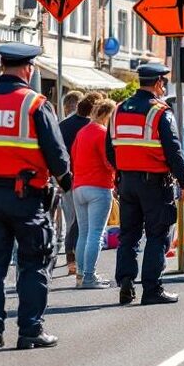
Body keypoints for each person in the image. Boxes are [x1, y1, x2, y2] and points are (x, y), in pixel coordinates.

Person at [0, 43, 71, 350]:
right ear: (28, 69)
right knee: (33, 263)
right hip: (28, 197)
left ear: (1, 66)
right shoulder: (35, 103)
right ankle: (30, 331)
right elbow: (57, 155)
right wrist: (65, 180)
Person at [108, 62, 184, 306]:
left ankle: (125, 283)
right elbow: (174, 150)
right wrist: (183, 181)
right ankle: (152, 289)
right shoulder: (160, 112)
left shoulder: (119, 110)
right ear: (158, 83)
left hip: (127, 182)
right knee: (157, 235)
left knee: (128, 236)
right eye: (163, 83)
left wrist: (120, 173)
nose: (164, 87)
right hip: (154, 184)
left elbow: (109, 148)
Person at [71, 99, 116, 288]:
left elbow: (73, 156)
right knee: (96, 234)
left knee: (84, 233)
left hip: (79, 186)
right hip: (98, 186)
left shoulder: (82, 132)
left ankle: (81, 275)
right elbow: (108, 161)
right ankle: (89, 276)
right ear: (107, 115)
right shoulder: (102, 133)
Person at [58, 91, 100, 276]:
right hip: (89, 179)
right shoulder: (92, 127)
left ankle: (71, 261)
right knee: (87, 226)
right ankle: (84, 269)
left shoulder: (62, 125)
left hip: (67, 178)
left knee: (72, 221)